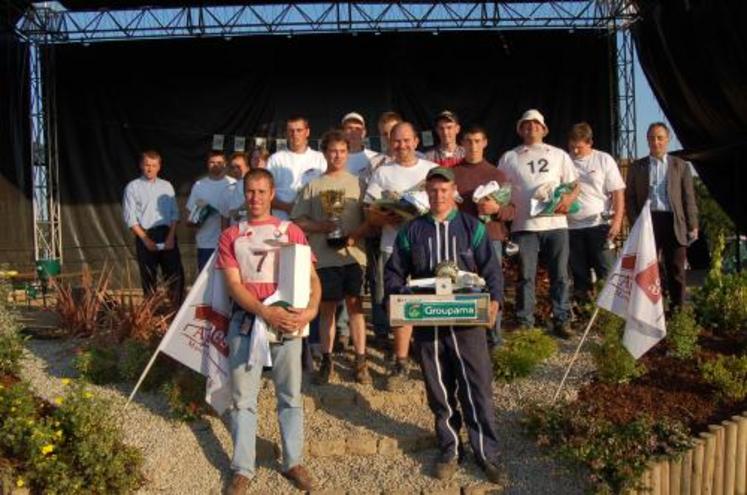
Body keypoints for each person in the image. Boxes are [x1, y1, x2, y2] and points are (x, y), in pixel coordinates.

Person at [384, 166, 507, 485]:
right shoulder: (412, 231)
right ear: (426, 192)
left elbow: (491, 268)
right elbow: (394, 271)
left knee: (476, 386)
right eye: (433, 190)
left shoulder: (471, 226)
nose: (438, 195)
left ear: (453, 191)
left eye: (444, 189)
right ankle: (450, 448)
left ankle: (486, 453)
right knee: (439, 389)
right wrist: (399, 296)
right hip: (428, 321)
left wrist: (494, 300)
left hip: (467, 321)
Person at [217, 168, 321, 494]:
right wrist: (264, 312)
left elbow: (313, 279)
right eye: (250, 192)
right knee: (243, 399)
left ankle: (293, 461)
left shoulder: (291, 231)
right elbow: (233, 285)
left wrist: (312, 311)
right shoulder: (231, 235)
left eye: (262, 192)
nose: (256, 198)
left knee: (290, 396)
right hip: (247, 322)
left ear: (272, 193)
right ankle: (242, 468)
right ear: (244, 194)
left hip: (288, 323)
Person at [291, 130, 372, 384]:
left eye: (342, 151)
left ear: (348, 153)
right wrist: (322, 227)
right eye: (332, 151)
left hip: (353, 256)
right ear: (325, 153)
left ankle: (361, 361)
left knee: (356, 308)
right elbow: (297, 221)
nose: (337, 155)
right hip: (324, 258)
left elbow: (371, 219)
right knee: (327, 310)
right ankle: (327, 361)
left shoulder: (359, 184)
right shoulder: (313, 186)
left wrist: (353, 235)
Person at [364, 122, 437, 388]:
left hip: (427, 248)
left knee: (429, 300)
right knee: (398, 303)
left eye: (407, 140)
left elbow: (447, 204)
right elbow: (369, 212)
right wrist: (386, 216)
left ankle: (428, 354)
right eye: (396, 141)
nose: (402, 146)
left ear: (416, 141)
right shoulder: (383, 172)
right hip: (392, 246)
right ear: (389, 143)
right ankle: (401, 361)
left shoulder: (430, 170)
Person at [497, 109, 579, 337]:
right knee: (526, 276)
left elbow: (574, 185)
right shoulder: (509, 157)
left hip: (556, 224)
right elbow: (502, 192)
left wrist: (568, 200)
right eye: (526, 124)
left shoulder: (559, 154)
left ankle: (562, 319)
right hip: (524, 226)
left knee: (560, 275)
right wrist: (504, 211)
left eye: (536, 124)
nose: (531, 128)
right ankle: (525, 323)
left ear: (544, 129)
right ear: (520, 129)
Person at [452, 125, 514, 348]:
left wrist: (496, 209)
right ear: (462, 144)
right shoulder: (454, 174)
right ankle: (467, 337)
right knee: (464, 287)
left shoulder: (497, 174)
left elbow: (511, 211)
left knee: (492, 287)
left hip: (491, 238)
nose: (473, 146)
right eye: (469, 141)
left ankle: (493, 339)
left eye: (478, 141)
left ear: (485, 142)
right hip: (461, 240)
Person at [625, 122, 698, 309]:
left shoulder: (680, 166)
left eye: (659, 138)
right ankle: (650, 311)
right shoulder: (637, 167)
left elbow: (688, 197)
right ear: (647, 140)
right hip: (648, 222)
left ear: (667, 140)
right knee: (648, 269)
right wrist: (636, 223)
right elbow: (630, 198)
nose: (655, 142)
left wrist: (693, 224)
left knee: (676, 269)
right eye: (651, 138)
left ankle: (678, 311)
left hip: (674, 221)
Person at [566, 122, 626, 305]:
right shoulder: (564, 160)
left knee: (607, 273)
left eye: (580, 147)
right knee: (579, 275)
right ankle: (584, 312)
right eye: (572, 147)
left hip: (599, 226)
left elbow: (618, 193)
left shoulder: (603, 159)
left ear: (590, 142)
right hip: (572, 227)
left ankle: (612, 316)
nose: (575, 151)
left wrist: (617, 221)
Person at [122, 150, 185, 307]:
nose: (150, 169)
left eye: (153, 165)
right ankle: (150, 316)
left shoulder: (167, 186)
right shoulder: (132, 187)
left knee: (175, 276)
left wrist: (170, 237)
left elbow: (174, 214)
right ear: (141, 165)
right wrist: (145, 239)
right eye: (147, 165)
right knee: (148, 278)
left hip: (167, 233)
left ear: (159, 167)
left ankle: (175, 312)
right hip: (146, 234)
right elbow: (130, 218)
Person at [267, 116, 327, 220]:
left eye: (299, 130)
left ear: (307, 132)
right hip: (282, 226)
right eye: (291, 131)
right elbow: (265, 194)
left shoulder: (320, 158)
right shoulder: (275, 159)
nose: (295, 134)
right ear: (286, 134)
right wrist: (288, 208)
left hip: (313, 224)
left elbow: (327, 190)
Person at [186, 150, 235, 272]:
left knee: (227, 281)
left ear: (225, 164)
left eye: (219, 162)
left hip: (230, 243)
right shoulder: (199, 185)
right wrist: (199, 217)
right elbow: (190, 217)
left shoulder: (234, 183)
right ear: (207, 164)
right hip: (206, 243)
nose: (216, 165)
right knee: (205, 283)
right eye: (212, 162)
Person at [341, 112, 380, 179]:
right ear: (343, 132)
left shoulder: (375, 158)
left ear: (364, 132)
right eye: (349, 128)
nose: (353, 132)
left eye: (357, 128)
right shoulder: (334, 158)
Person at [221, 152, 251, 229]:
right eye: (232, 167)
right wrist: (244, 208)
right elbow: (230, 216)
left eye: (238, 167)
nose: (235, 170)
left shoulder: (257, 184)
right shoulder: (229, 189)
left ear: (247, 167)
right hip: (236, 234)